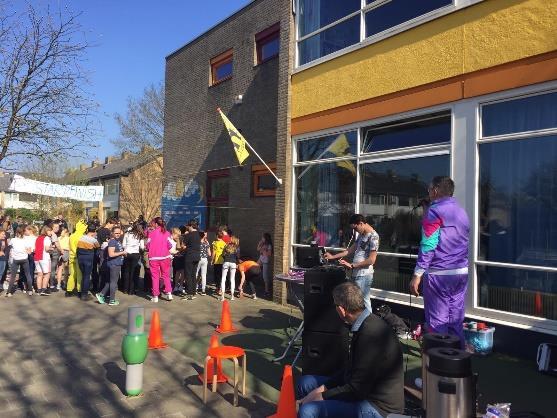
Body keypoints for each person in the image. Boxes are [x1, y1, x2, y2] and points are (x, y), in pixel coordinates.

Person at [296, 282, 404, 418]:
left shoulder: (369, 334)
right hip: (361, 391)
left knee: (308, 410)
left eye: (335, 305)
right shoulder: (363, 323)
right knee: (304, 383)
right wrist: (323, 388)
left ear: (341, 310)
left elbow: (356, 390)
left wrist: (321, 396)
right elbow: (350, 370)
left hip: (378, 407)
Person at [409, 176, 470, 345]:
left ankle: (438, 367)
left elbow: (429, 245)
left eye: (429, 190)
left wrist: (417, 274)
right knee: (455, 320)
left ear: (435, 190)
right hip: (460, 273)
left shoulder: (434, 212)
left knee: (437, 322)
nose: (428, 193)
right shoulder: (461, 212)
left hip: (439, 274)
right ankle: (458, 360)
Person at [324, 214, 379, 313]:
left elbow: (371, 260)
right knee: (357, 303)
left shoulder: (373, 237)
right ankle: (360, 325)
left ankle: (369, 326)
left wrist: (352, 265)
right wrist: (332, 257)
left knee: (364, 303)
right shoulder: (362, 235)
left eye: (356, 228)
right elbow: (349, 251)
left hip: (364, 275)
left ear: (361, 223)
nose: (355, 231)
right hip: (356, 274)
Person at [146, 217, 175, 303]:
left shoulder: (151, 233)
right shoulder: (167, 233)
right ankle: (169, 293)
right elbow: (170, 245)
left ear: (156, 224)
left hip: (153, 257)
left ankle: (155, 297)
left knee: (155, 277)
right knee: (166, 275)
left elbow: (147, 246)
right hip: (165, 257)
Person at [96, 226, 126, 306]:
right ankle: (112, 300)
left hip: (116, 263)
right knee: (113, 283)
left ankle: (101, 294)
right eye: (116, 233)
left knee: (110, 282)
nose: (118, 234)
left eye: (119, 233)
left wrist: (122, 252)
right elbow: (111, 254)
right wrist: (122, 253)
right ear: (112, 233)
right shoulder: (112, 242)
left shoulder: (117, 241)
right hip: (114, 264)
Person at [6, 226, 33, 297]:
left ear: (17, 232)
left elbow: (9, 246)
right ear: (23, 232)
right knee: (28, 275)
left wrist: (12, 251)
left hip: (16, 260)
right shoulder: (26, 240)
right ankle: (30, 290)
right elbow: (29, 252)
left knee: (13, 276)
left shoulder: (13, 240)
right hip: (24, 259)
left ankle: (9, 292)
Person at [76, 224, 100, 301]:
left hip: (80, 259)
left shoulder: (81, 237)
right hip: (88, 259)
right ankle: (84, 295)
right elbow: (98, 246)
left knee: (84, 276)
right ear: (94, 232)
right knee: (86, 277)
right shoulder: (94, 240)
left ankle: (83, 292)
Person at [122, 223, 145, 295]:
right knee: (133, 272)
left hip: (127, 253)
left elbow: (123, 244)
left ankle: (125, 289)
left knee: (126, 271)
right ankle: (131, 290)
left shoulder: (127, 234)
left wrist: (126, 248)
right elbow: (142, 247)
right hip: (135, 254)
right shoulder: (139, 235)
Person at [183, 220, 201, 300]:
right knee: (193, 274)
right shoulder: (199, 234)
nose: (187, 228)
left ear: (191, 226)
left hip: (189, 256)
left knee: (188, 275)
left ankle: (189, 293)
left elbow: (183, 246)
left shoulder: (188, 235)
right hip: (197, 256)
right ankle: (194, 292)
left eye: (188, 226)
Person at [34, 225, 53, 296]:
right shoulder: (47, 238)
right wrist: (52, 248)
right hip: (44, 258)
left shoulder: (38, 237)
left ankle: (39, 289)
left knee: (39, 274)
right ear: (47, 231)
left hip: (37, 258)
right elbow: (47, 249)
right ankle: (44, 289)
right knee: (47, 274)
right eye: (50, 231)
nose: (51, 232)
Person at [220, 236, 240, 301]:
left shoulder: (226, 246)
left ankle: (222, 297)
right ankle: (232, 296)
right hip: (233, 263)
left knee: (223, 279)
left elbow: (222, 254)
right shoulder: (236, 248)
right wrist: (237, 263)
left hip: (226, 262)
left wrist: (225, 259)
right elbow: (237, 257)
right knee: (232, 279)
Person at [170, 227, 186, 295]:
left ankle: (180, 286)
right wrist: (179, 243)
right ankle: (176, 286)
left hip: (181, 257)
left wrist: (181, 247)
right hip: (177, 257)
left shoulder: (182, 238)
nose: (178, 236)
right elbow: (179, 248)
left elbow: (182, 247)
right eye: (177, 235)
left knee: (181, 272)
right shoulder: (172, 239)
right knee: (177, 272)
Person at [257, 233, 273, 297]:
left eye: (263, 237)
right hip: (260, 259)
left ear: (266, 238)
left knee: (265, 276)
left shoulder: (269, 245)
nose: (262, 238)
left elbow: (269, 254)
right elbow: (258, 249)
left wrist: (264, 250)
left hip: (265, 261)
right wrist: (259, 244)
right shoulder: (262, 244)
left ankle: (267, 291)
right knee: (254, 268)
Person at [196, 230, 211, 295]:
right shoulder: (207, 242)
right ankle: (203, 290)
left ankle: (195, 288)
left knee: (195, 274)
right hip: (205, 259)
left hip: (198, 258)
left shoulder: (197, 241)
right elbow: (209, 254)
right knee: (203, 275)